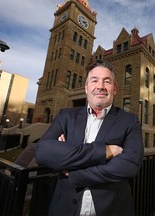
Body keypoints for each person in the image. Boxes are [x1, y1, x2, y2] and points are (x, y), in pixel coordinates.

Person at [35, 59, 144, 215]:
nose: (100, 86)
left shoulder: (130, 121)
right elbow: (42, 152)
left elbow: (130, 165)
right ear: (86, 88)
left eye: (107, 81)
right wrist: (104, 152)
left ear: (114, 89)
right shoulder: (66, 116)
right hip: (64, 208)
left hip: (112, 209)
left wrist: (74, 171)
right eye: (94, 80)